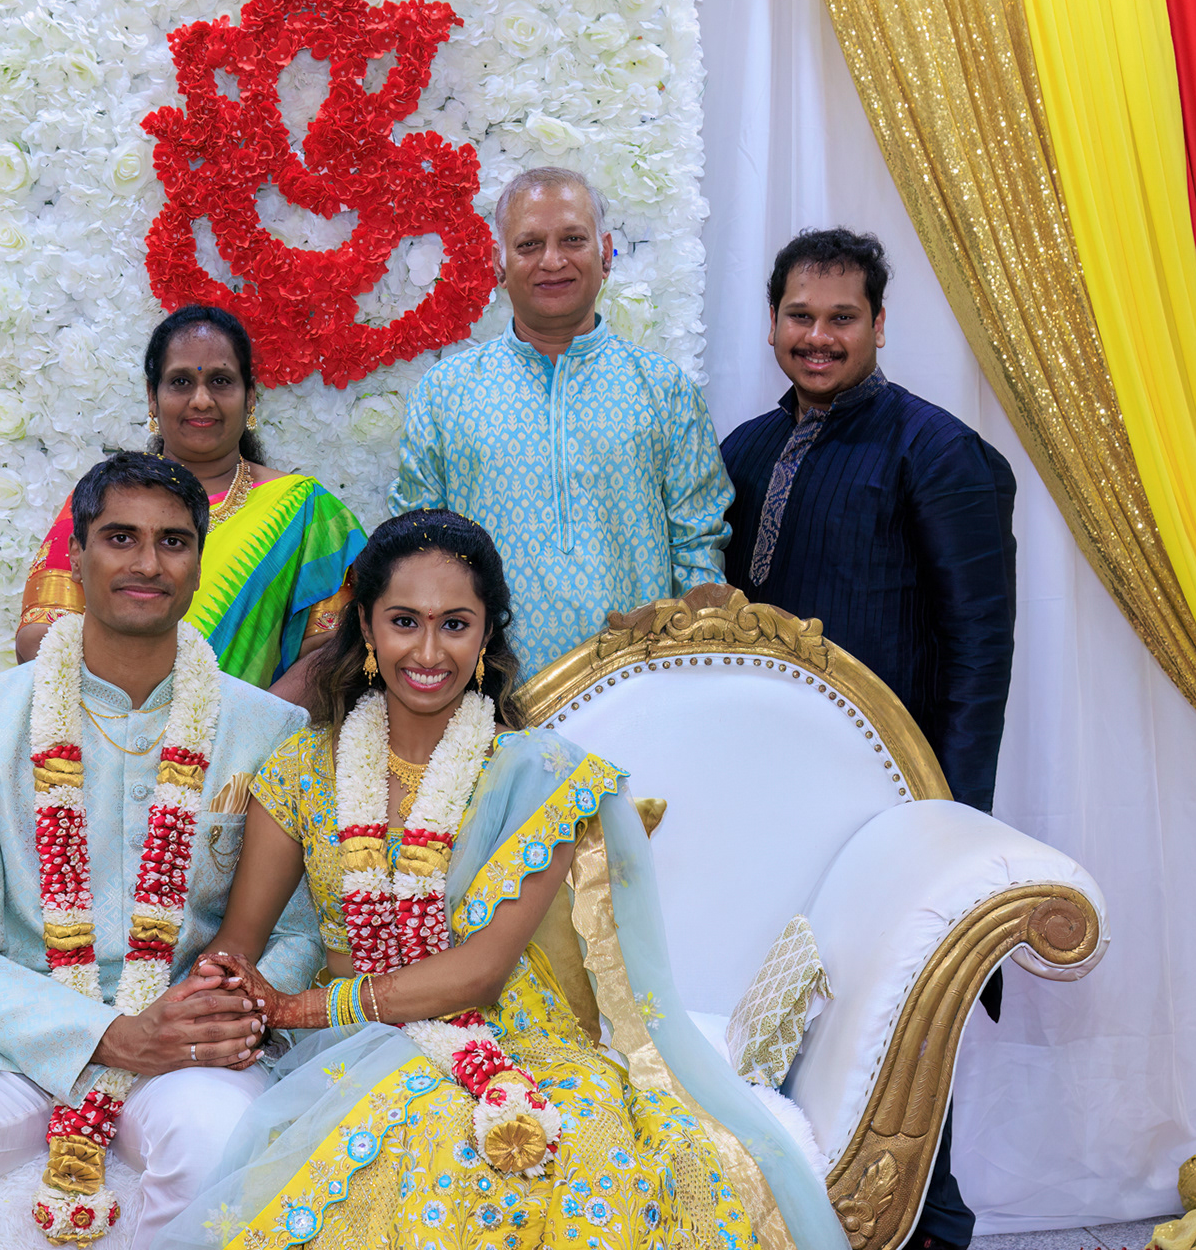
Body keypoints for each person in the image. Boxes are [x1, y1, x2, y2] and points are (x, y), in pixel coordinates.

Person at [154, 511, 844, 1250]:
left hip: (516, 1038)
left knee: (568, 1157)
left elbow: (480, 972)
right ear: (367, 627)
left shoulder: (538, 775)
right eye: (404, 621)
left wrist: (297, 1006)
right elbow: (239, 941)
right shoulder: (300, 771)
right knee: (416, 1133)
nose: (428, 652)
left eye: (454, 624)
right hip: (348, 1044)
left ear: (485, 635)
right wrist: (216, 996)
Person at [0, 452, 320, 1249]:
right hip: (15, 1041)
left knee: (220, 1141)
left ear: (196, 561)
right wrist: (109, 1033)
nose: (147, 563)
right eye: (120, 537)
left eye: (173, 541)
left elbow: (298, 933)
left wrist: (218, 1011)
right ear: (75, 557)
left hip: (184, 1047)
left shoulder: (269, 730)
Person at [719, 228, 1018, 1250]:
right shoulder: (746, 450)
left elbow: (982, 649)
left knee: (899, 1007)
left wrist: (952, 817)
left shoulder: (937, 452)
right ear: (771, 324)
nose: (819, 336)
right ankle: (808, 1213)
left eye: (842, 317)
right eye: (800, 316)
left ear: (880, 325)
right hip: (779, 795)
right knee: (786, 1009)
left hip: (899, 799)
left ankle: (931, 1223)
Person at [389, 167, 734, 677]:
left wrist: (691, 678)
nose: (552, 261)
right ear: (499, 263)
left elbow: (698, 550)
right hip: (486, 691)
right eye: (529, 244)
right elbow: (416, 552)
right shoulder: (447, 392)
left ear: (606, 253)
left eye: (572, 239)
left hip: (636, 686)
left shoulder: (664, 389)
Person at [19, 304, 366, 701]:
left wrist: (249, 724)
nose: (201, 400)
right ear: (153, 397)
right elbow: (39, 634)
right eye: (181, 382)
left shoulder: (304, 509)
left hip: (249, 734)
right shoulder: (104, 498)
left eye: (221, 381)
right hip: (103, 725)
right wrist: (131, 715)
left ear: (250, 397)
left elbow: (335, 650)